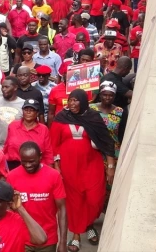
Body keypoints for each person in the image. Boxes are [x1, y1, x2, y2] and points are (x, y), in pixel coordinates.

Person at [51, 89, 116, 251]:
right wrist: (57, 166)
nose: (72, 104)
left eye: (76, 100)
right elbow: (54, 145)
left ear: (83, 102)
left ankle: (88, 223)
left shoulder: (93, 117)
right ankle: (76, 234)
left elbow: (106, 142)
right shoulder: (61, 118)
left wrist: (110, 167)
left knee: (95, 198)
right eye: (70, 100)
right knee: (74, 202)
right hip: (69, 167)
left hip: (91, 165)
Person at [7, 142, 68, 252]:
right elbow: (8, 208)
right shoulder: (12, 176)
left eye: (31, 161)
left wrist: (63, 242)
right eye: (23, 161)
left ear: (40, 156)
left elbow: (62, 209)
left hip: (47, 239)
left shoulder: (53, 176)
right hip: (21, 238)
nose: (27, 165)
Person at [3, 99, 53, 170]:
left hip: (35, 167)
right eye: (26, 110)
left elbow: (48, 153)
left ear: (37, 113)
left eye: (32, 110)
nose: (28, 112)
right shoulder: (13, 126)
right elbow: (6, 147)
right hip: (13, 165)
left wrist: (50, 172)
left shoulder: (43, 129)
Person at [91, 81, 125, 157]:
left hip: (113, 151)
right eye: (104, 95)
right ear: (100, 95)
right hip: (94, 152)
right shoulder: (91, 108)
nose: (107, 98)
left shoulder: (119, 111)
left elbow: (122, 133)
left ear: (114, 96)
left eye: (111, 95)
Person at [0, 76, 25, 149]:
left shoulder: (23, 104)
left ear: (15, 87)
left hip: (17, 147)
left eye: (7, 87)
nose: (3, 89)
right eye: (2, 87)